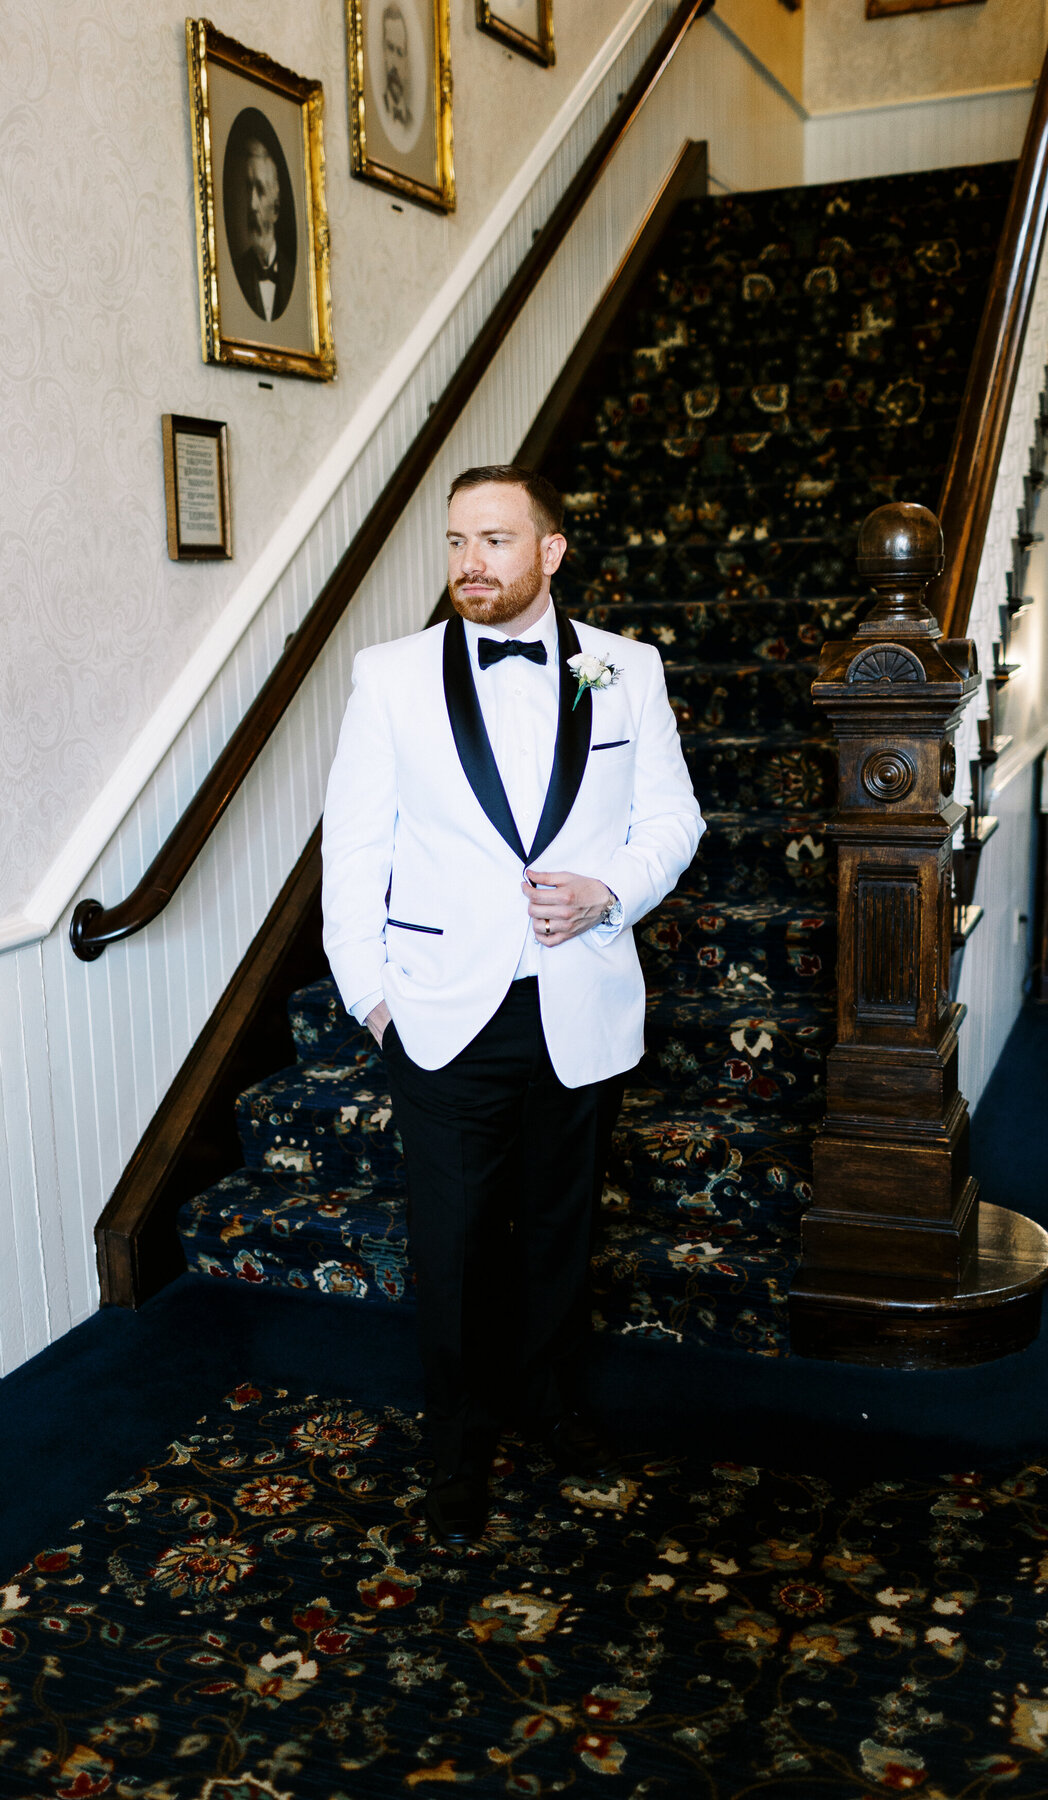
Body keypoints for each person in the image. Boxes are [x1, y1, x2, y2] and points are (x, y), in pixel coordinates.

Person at [321, 466, 704, 1545]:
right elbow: (354, 849)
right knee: (450, 1247)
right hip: (442, 1011)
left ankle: (544, 1399)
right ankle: (455, 1447)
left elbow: (673, 818)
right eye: (455, 543)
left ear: (550, 551)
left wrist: (609, 892)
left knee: (559, 1234)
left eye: (494, 541)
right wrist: (372, 1001)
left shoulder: (627, 670)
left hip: (578, 1000)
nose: (469, 564)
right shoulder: (390, 676)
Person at [232, 135, 294, 323]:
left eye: (259, 190)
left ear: (275, 208)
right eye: (248, 187)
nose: (251, 204)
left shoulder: (292, 278)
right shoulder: (236, 275)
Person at [381, 4, 413, 133]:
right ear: (383, 52)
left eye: (399, 52)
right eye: (390, 48)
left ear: (406, 58)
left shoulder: (411, 121)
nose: (394, 64)